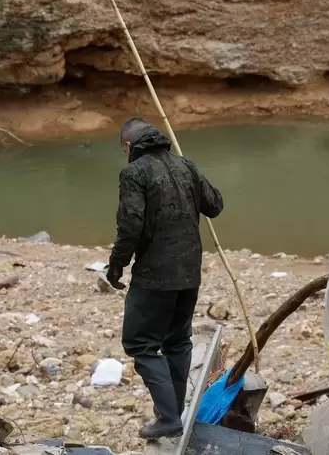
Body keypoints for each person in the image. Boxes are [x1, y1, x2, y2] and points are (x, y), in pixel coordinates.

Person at [106, 117, 224, 440]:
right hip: (190, 275)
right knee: (177, 341)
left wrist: (116, 267)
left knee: (139, 344)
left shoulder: (134, 173)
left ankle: (169, 416)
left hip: (154, 277)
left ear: (128, 147)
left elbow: (129, 225)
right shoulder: (186, 165)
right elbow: (215, 205)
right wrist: (194, 176)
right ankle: (170, 410)